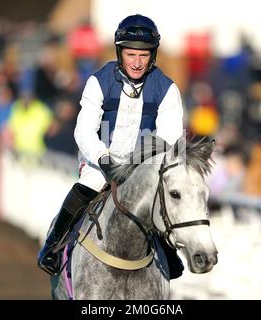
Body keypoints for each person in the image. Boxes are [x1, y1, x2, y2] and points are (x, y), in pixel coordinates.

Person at [37, 14, 184, 279]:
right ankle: (53, 246)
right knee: (88, 186)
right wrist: (105, 160)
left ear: (153, 55)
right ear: (119, 52)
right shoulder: (98, 81)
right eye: (131, 55)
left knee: (159, 197)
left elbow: (171, 135)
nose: (137, 63)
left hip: (142, 163)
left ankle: (169, 253)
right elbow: (83, 131)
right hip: (101, 161)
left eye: (144, 55)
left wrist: (139, 159)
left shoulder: (167, 89)